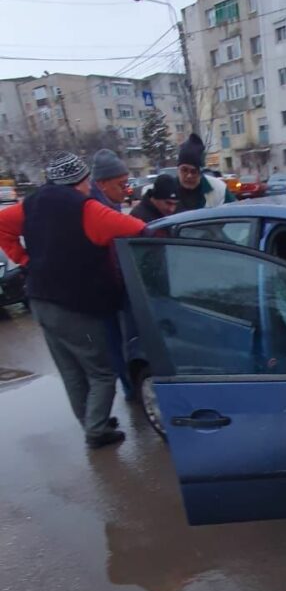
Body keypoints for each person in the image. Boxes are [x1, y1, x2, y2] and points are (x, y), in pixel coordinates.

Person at [0, 153, 146, 449]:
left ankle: (93, 421)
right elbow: (138, 230)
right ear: (82, 181)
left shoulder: (32, 204)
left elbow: (2, 226)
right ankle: (96, 430)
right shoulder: (88, 210)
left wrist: (25, 260)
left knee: (71, 370)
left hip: (40, 300)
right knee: (101, 371)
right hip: (75, 306)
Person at [89, 148, 135, 399]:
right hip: (104, 290)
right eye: (121, 184)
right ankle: (130, 390)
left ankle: (130, 387)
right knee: (117, 344)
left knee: (122, 342)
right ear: (103, 183)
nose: (126, 190)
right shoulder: (96, 209)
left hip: (113, 285)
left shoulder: (111, 204)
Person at [174, 133, 233, 212]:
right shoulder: (168, 189)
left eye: (193, 171)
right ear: (178, 169)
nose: (189, 176)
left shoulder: (219, 189)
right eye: (184, 170)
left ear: (200, 173)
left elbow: (235, 214)